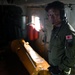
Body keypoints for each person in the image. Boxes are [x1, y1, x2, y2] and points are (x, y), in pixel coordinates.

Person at [45, 1, 75, 75]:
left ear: (62, 15)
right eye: (49, 15)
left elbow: (72, 58)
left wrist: (59, 68)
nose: (51, 17)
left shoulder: (68, 33)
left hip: (61, 71)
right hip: (54, 68)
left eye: (55, 14)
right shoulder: (55, 28)